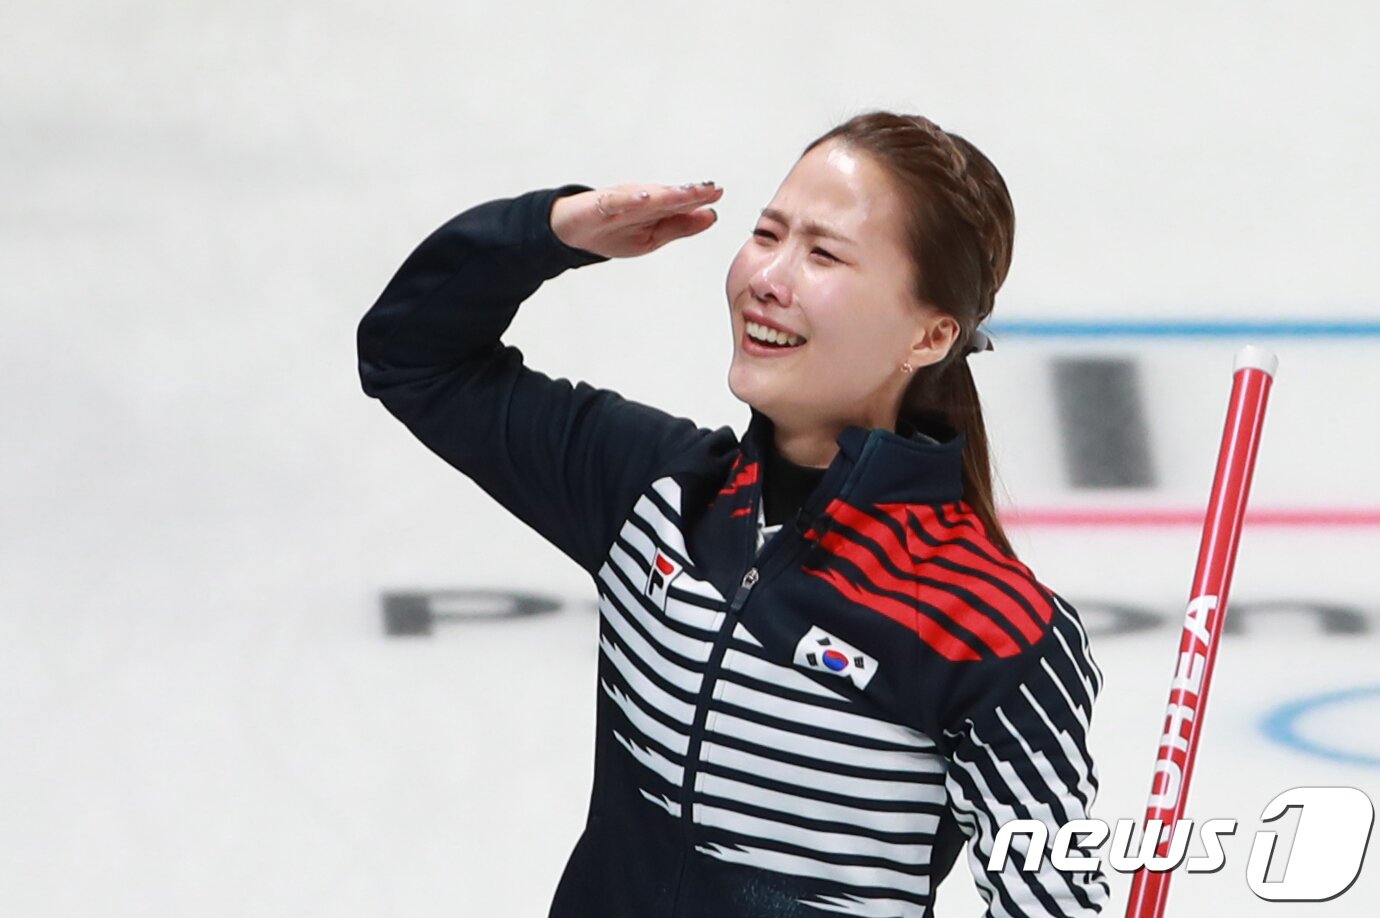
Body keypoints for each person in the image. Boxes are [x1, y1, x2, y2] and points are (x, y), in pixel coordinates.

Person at [357, 111, 1109, 918]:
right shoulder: (659, 493)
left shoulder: (994, 631)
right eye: (767, 234)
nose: (768, 277)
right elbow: (411, 356)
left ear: (929, 336)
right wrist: (552, 231)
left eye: (823, 253)